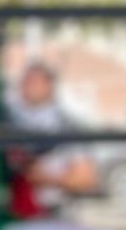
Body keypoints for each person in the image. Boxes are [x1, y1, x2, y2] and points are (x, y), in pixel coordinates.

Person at [7, 60, 104, 212]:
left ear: (50, 85)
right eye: (25, 81)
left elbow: (87, 179)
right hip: (12, 212)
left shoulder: (70, 127)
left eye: (35, 81)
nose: (28, 86)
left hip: (55, 212)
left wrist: (46, 179)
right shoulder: (9, 123)